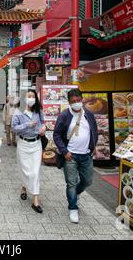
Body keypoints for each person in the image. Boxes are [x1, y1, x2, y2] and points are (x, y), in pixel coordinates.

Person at [53, 89, 98, 224]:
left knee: (87, 181)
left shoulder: (88, 114)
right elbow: (56, 135)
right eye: (73, 102)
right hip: (70, 156)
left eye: (78, 101)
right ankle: (73, 207)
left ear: (82, 99)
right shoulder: (64, 116)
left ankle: (75, 194)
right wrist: (64, 151)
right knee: (71, 183)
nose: (76, 103)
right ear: (69, 102)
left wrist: (93, 146)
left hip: (86, 155)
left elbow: (94, 131)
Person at [12, 90, 46, 214]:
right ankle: (23, 187)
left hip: (36, 144)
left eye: (33, 97)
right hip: (23, 145)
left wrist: (43, 128)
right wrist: (27, 125)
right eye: (29, 96)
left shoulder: (38, 111)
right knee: (25, 170)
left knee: (35, 172)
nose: (31, 99)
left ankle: (35, 201)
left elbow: (44, 123)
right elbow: (14, 128)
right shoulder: (18, 112)